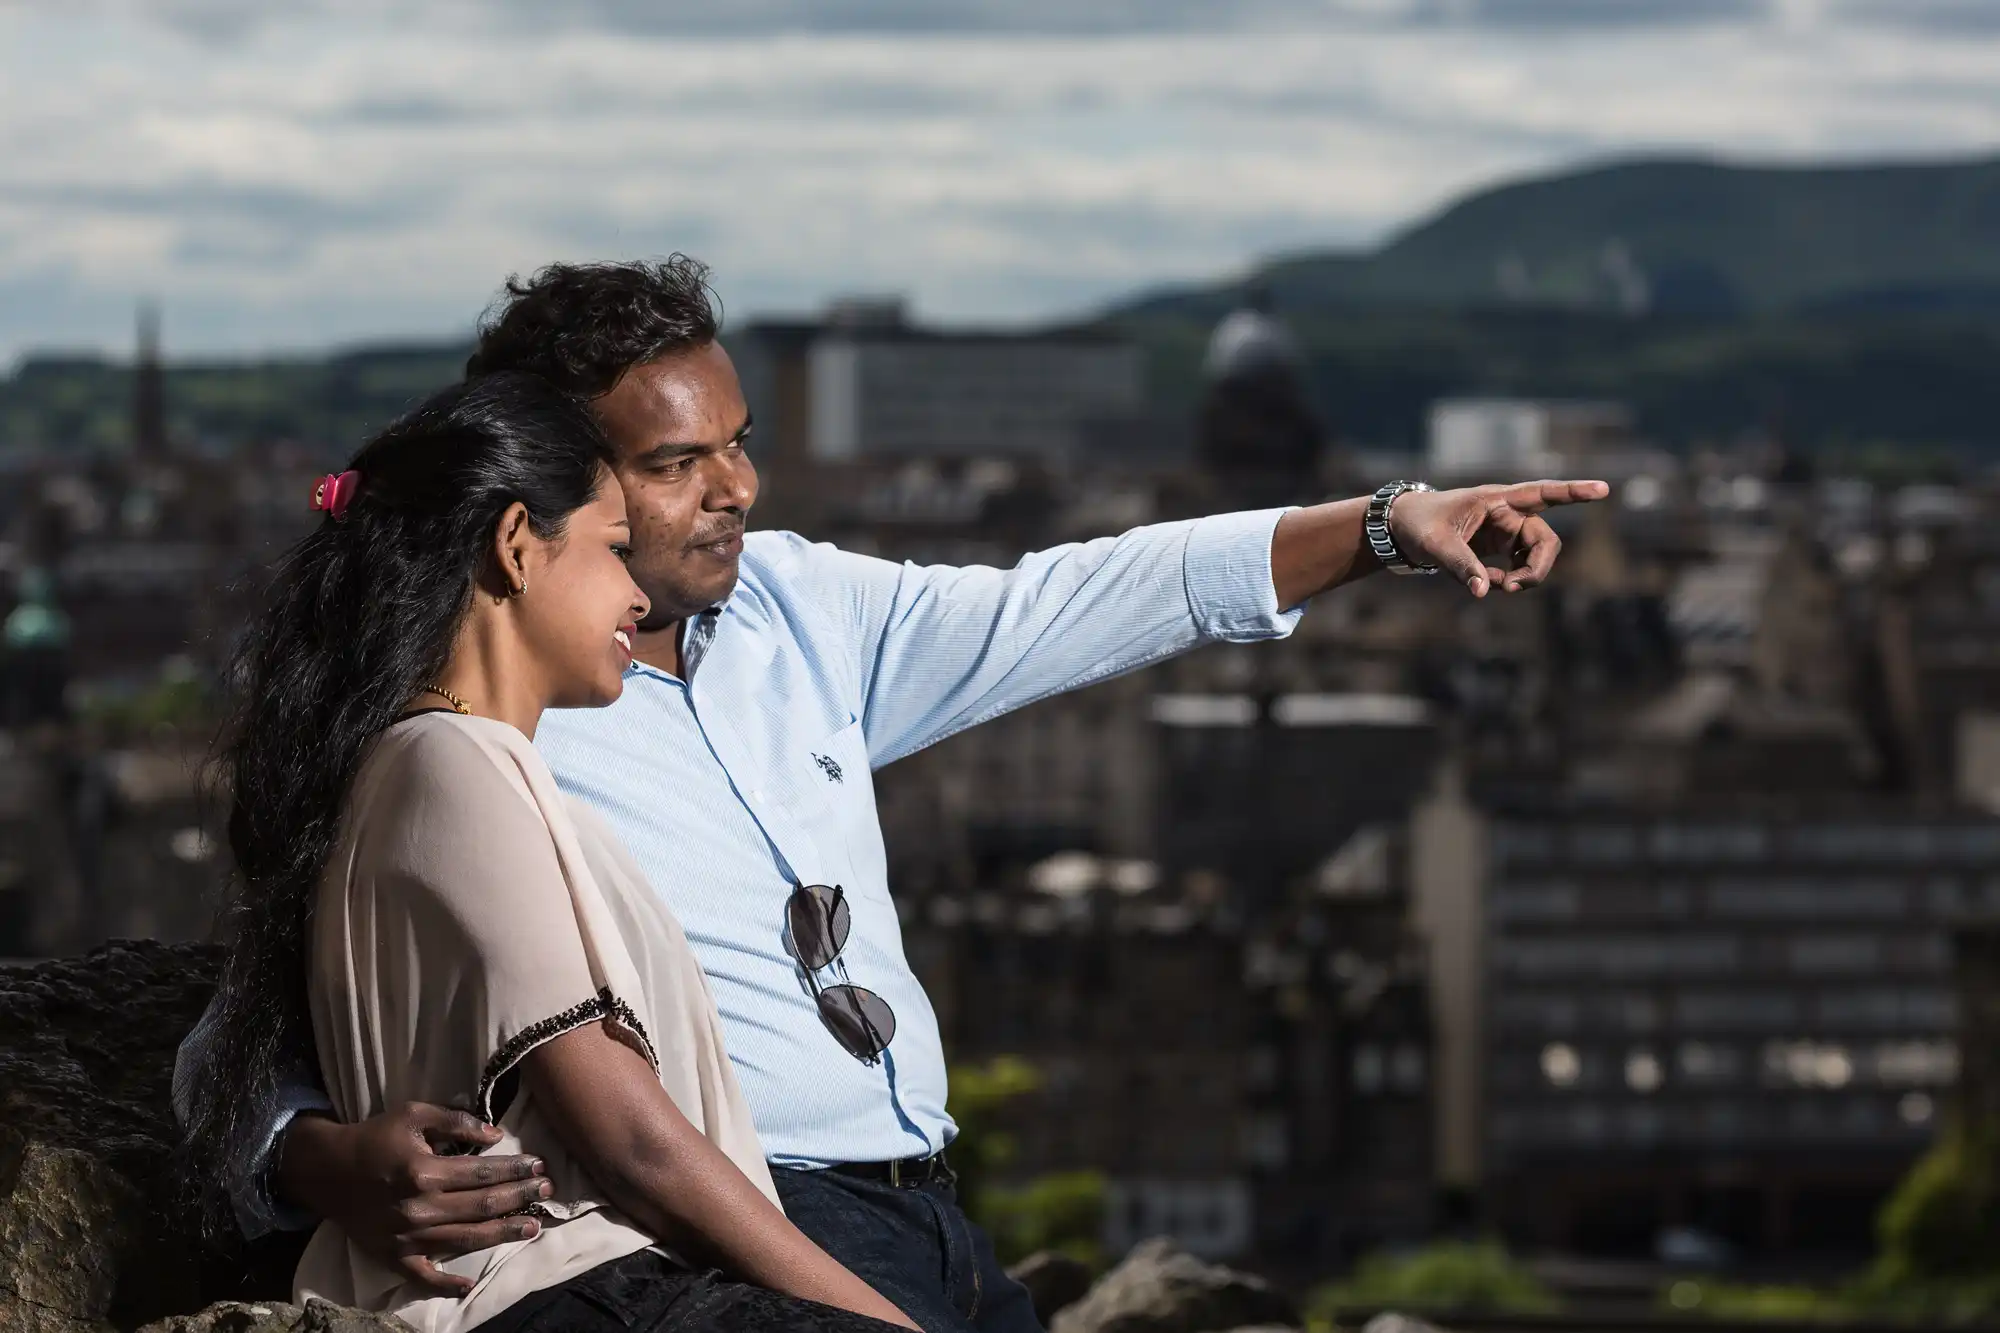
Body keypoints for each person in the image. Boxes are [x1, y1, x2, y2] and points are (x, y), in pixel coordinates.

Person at [178, 257, 1605, 1333]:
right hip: (718, 1229)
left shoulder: (809, 606)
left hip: (928, 1203)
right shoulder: (472, 715)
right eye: (677, 465)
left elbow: (1081, 595)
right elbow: (244, 1016)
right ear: (552, 491)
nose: (735, 485)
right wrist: (308, 1156)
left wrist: (1376, 529)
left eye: (738, 440)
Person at [179, 372, 917, 1333]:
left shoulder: (443, 762)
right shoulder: (457, 759)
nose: (637, 590)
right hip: (578, 1284)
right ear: (518, 545)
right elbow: (629, 1141)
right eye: (614, 550)